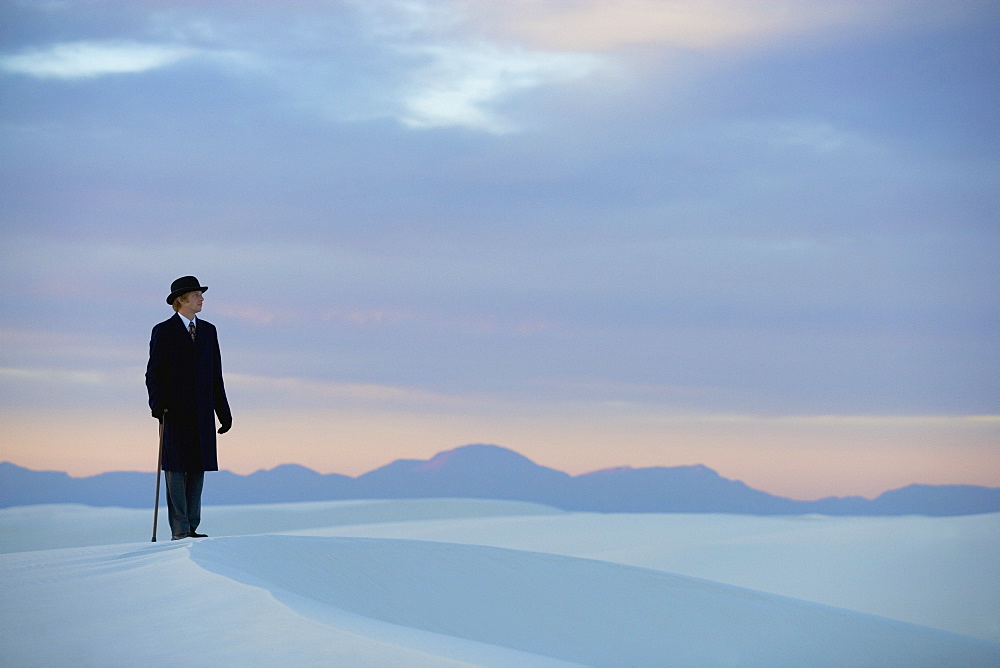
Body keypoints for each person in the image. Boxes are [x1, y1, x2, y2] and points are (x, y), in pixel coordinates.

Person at [145, 276, 232, 540]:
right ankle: (180, 529)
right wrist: (157, 404)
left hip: (203, 412)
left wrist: (223, 412)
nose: (201, 298)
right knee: (176, 469)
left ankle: (192, 526)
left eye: (201, 294)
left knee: (198, 467)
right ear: (181, 300)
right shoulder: (163, 330)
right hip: (175, 411)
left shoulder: (209, 331)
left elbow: (215, 375)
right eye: (196, 294)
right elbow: (154, 373)